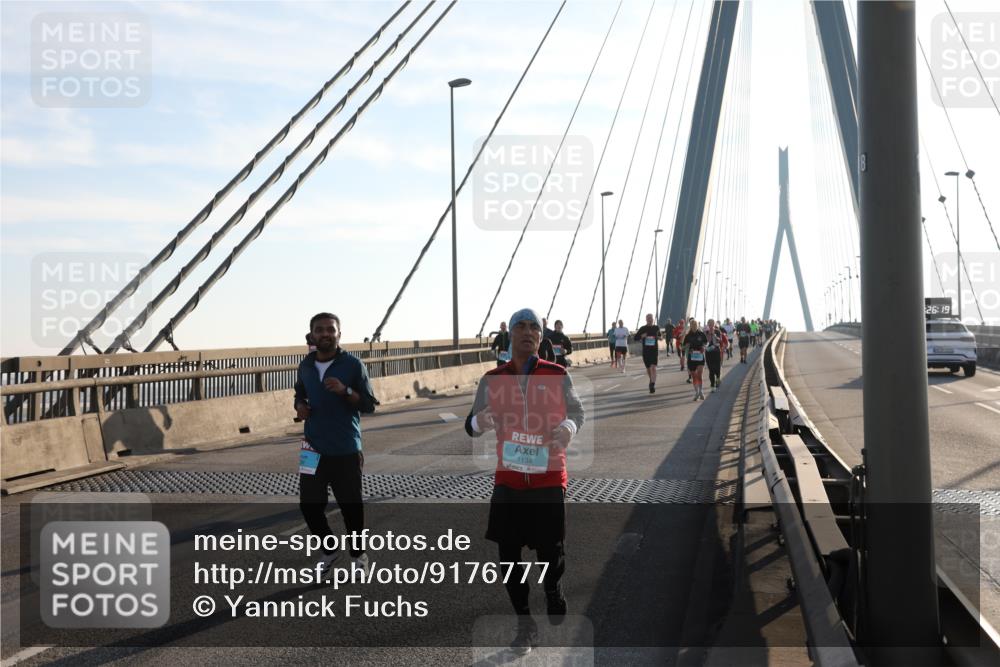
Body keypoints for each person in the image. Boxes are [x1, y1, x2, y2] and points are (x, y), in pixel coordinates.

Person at [464, 308, 585, 654]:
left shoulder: (557, 374)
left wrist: (568, 428)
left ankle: (552, 588)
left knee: (551, 552)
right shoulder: (492, 379)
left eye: (534, 327)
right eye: (522, 326)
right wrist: (481, 421)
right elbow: (471, 425)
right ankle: (525, 625)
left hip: (549, 476)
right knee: (507, 556)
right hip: (509, 479)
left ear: (540, 337)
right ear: (510, 335)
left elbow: (577, 412)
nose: (528, 331)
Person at [294, 312, 379, 576]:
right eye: (320, 330)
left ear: (339, 334)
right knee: (309, 505)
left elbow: (368, 404)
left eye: (330, 329)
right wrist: (300, 406)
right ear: (312, 335)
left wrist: (346, 391)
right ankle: (330, 551)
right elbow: (300, 393)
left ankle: (358, 555)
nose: (325, 334)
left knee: (350, 507)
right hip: (311, 447)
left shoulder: (352, 365)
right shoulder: (305, 366)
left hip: (345, 447)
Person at [634, 314, 661, 393]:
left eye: (651, 318)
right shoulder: (643, 328)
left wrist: (659, 337)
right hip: (646, 351)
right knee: (648, 369)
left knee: (653, 367)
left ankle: (652, 384)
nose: (650, 319)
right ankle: (651, 380)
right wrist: (642, 336)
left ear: (653, 319)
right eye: (648, 318)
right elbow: (635, 338)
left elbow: (660, 336)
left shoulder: (656, 328)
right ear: (646, 319)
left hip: (654, 351)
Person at [683, 318, 708, 400]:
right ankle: (696, 392)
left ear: (697, 326)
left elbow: (706, 343)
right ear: (690, 326)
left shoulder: (701, 334)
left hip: (700, 356)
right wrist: (687, 347)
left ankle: (701, 391)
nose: (694, 326)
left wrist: (703, 347)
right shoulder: (688, 336)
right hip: (692, 357)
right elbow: (683, 346)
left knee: (699, 375)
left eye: (695, 325)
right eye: (692, 325)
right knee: (694, 376)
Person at [704, 319, 724, 392]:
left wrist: (715, 336)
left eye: (712, 323)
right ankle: (712, 385)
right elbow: (705, 342)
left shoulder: (717, 331)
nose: (711, 325)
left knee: (717, 369)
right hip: (709, 352)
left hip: (716, 352)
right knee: (711, 370)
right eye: (709, 323)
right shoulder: (706, 332)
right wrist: (709, 334)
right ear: (708, 324)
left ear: (714, 324)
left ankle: (718, 378)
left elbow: (720, 340)